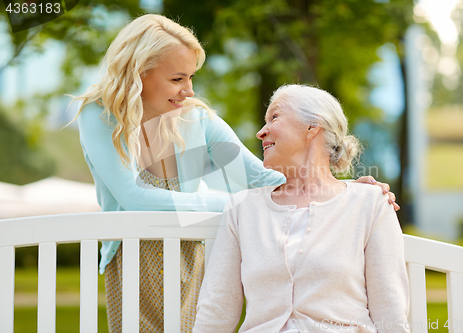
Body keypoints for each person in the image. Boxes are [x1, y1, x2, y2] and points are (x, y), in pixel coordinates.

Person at [74, 14, 398, 333]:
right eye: (177, 79)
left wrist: (340, 191)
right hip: (131, 259)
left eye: (190, 77)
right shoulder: (99, 114)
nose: (188, 90)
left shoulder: (195, 119)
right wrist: (235, 207)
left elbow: (261, 178)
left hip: (192, 251)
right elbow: (133, 198)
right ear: (140, 73)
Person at [193, 84, 410, 333]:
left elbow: (390, 310)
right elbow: (217, 310)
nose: (261, 133)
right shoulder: (243, 208)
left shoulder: (370, 204)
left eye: (274, 117)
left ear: (313, 125)